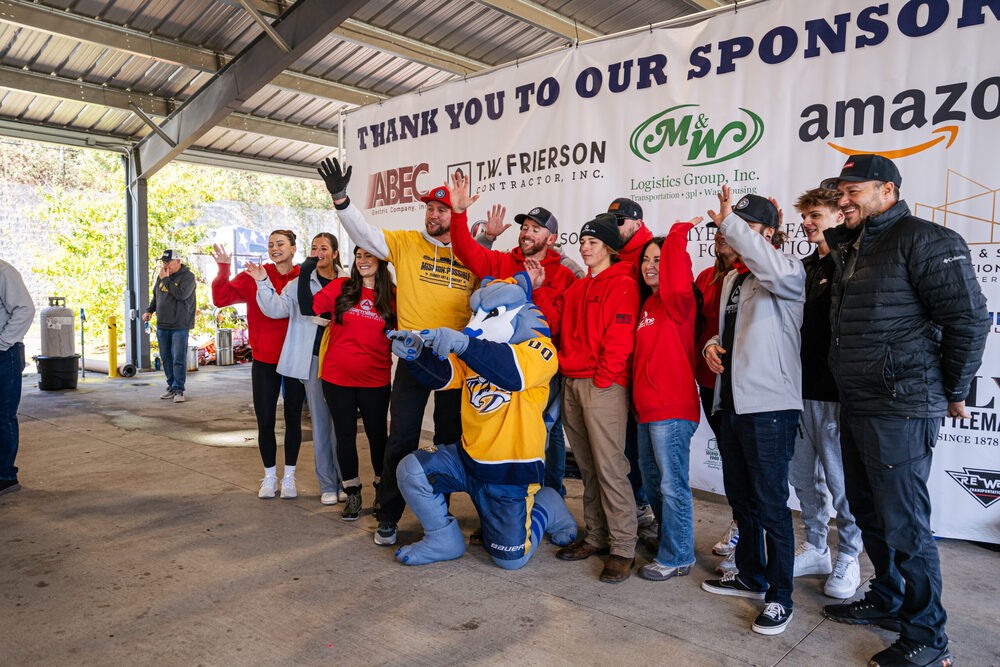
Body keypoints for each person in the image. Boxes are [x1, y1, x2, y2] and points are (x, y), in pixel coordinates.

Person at [819, 154, 988, 667]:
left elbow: (969, 320)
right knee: (871, 512)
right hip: (859, 400)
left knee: (906, 524)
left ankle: (929, 638)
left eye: (854, 191)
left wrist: (955, 388)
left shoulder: (925, 239)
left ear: (888, 191)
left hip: (902, 405)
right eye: (839, 192)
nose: (842, 200)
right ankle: (888, 598)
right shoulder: (851, 247)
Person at [317, 159, 477, 546]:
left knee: (449, 442)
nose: (433, 215)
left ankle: (438, 513)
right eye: (429, 208)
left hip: (456, 366)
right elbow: (365, 234)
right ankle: (388, 515)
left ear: (454, 213)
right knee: (401, 439)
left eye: (441, 209)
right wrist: (341, 199)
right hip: (414, 360)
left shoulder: (470, 254)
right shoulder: (406, 243)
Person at [388, 273, 577, 569]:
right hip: (468, 458)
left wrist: (464, 344)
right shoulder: (474, 354)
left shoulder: (541, 350)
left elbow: (511, 373)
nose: (475, 323)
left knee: (510, 560)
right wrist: (415, 355)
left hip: (510, 471)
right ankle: (443, 538)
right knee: (411, 470)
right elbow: (443, 377)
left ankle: (548, 505)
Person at [700, 187, 805, 636]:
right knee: (742, 501)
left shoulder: (787, 271)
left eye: (744, 228)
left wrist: (732, 227)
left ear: (770, 234)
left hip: (771, 408)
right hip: (732, 404)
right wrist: (709, 346)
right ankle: (750, 575)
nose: (728, 238)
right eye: (728, 229)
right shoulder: (731, 280)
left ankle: (780, 596)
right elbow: (724, 331)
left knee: (772, 506)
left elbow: (762, 258)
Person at [538, 213, 640, 584]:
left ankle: (623, 546)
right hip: (572, 381)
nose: (584, 247)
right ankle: (597, 536)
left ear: (609, 248)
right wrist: (536, 287)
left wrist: (602, 378)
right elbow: (554, 322)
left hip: (603, 385)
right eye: (582, 241)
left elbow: (620, 337)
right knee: (588, 467)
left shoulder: (623, 283)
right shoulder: (579, 287)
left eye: (592, 242)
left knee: (611, 467)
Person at [450, 203, 577, 497]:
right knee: (497, 427)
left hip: (536, 372)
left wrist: (538, 288)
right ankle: (500, 495)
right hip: (495, 367)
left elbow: (555, 325)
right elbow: (467, 253)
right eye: (524, 228)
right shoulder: (504, 261)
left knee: (549, 431)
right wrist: (459, 214)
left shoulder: (566, 274)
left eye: (535, 229)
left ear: (552, 238)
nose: (526, 233)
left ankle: (550, 494)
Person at [789, 188, 863, 599]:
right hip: (797, 391)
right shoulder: (801, 268)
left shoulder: (853, 265)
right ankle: (817, 547)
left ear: (839, 216)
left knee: (842, 484)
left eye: (815, 214)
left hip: (837, 396)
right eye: (804, 216)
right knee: (802, 479)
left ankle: (849, 554)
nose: (807, 222)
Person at [253, 233, 348, 506]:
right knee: (320, 424)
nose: (319, 252)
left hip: (342, 359)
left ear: (335, 253)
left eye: (325, 248)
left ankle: (347, 481)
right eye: (314, 248)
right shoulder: (299, 283)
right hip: (312, 360)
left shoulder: (347, 283)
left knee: (342, 425)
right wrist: (262, 282)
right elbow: (275, 309)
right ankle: (328, 483)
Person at [631, 223, 702, 582]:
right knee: (655, 480)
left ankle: (678, 555)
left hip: (672, 410)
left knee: (672, 485)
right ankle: (669, 541)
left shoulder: (679, 299)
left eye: (658, 259)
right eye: (646, 259)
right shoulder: (648, 303)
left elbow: (677, 276)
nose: (650, 265)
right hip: (647, 411)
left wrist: (676, 235)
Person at [304, 245, 395, 521]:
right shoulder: (342, 287)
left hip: (375, 379)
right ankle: (352, 492)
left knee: (378, 436)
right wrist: (307, 268)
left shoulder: (392, 296)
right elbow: (309, 307)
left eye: (369, 255)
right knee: (344, 435)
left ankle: (382, 490)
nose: (363, 260)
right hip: (337, 378)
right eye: (358, 256)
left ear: (380, 260)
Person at [211, 230, 303, 500]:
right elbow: (221, 298)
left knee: (293, 420)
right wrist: (223, 268)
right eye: (271, 245)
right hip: (264, 361)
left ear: (293, 248)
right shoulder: (255, 274)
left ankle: (289, 478)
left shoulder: (303, 277)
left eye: (281, 244)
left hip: (294, 360)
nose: (275, 249)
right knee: (265, 421)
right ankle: (269, 476)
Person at [607, 197, 655, 531]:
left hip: (645, 365)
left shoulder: (650, 254)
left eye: (621, 219)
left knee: (640, 443)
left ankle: (643, 504)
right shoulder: (612, 255)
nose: (615, 224)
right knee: (623, 442)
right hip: (620, 364)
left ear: (637, 223)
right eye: (612, 219)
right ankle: (632, 504)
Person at [695, 230, 741, 573]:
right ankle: (739, 520)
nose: (721, 237)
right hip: (710, 381)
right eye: (718, 232)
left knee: (743, 460)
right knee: (728, 455)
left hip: (742, 384)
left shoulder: (752, 272)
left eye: (729, 231)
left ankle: (746, 529)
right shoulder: (704, 277)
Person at [143, 250, 196, 403]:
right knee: (166, 358)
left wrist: (166, 280)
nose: (165, 265)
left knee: (178, 358)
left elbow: (181, 295)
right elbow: (156, 296)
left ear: (178, 261)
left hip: (180, 324)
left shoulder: (188, 277)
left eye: (168, 262)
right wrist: (149, 311)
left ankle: (179, 389)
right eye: (164, 262)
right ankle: (171, 386)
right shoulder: (161, 277)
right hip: (162, 325)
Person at [0, 259, 34, 496]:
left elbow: (25, 309)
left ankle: (6, 476)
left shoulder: (3, 272)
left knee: (3, 414)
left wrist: (2, 343)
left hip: (5, 354)